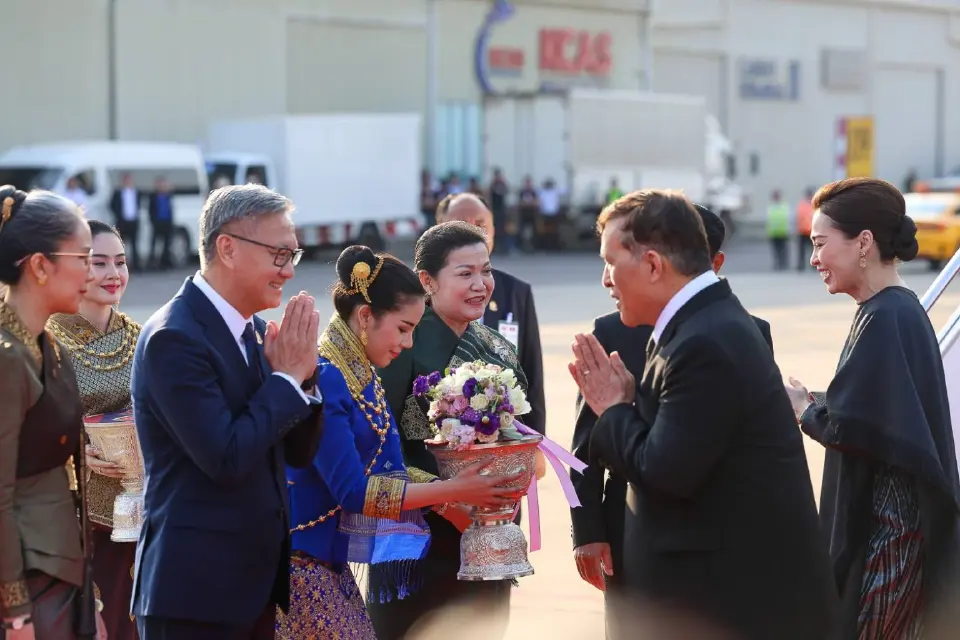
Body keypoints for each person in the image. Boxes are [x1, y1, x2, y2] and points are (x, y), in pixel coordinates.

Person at [569, 190, 837, 640]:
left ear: (654, 266)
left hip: (728, 606)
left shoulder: (703, 343)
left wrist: (615, 409)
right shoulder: (698, 324)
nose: (605, 280)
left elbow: (666, 474)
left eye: (611, 261)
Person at [278, 245, 519, 638]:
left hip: (329, 568)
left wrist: (452, 496)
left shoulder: (361, 376)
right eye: (404, 329)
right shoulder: (327, 378)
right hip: (302, 569)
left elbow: (384, 469)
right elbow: (354, 493)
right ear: (365, 317)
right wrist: (454, 488)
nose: (408, 344)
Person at [131, 184, 326, 639]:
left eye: (293, 257)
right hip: (193, 595)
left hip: (250, 589)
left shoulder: (256, 332)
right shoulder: (174, 338)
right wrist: (286, 382)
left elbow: (296, 452)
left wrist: (304, 379)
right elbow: (226, 457)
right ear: (228, 247)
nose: (289, 272)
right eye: (280, 255)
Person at [785, 177, 960, 639]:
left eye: (821, 244)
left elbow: (861, 428)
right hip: (895, 539)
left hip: (890, 544)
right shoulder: (891, 311)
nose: (814, 259)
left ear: (863, 243)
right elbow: (879, 410)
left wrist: (806, 409)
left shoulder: (886, 317)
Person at [369, 221, 531, 640]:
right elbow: (376, 439)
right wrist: (450, 504)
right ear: (427, 281)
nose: (481, 284)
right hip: (420, 530)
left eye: (487, 271)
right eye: (465, 274)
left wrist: (503, 494)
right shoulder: (404, 341)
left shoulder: (498, 348)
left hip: (488, 532)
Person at [0, 186, 101, 639]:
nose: (92, 269)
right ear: (40, 266)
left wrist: (90, 599)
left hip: (61, 568)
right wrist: (16, 613)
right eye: (83, 257)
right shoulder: (7, 357)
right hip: (26, 578)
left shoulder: (48, 344)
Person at [48, 220, 142, 640]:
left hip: (146, 512)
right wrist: (69, 450)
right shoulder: (45, 342)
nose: (113, 274)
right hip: (81, 520)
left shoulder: (144, 337)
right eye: (98, 262)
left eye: (119, 262)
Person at [435, 192, 546, 436]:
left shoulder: (516, 292)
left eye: (481, 225)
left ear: (495, 230)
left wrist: (536, 441)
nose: (472, 232)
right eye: (460, 225)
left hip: (505, 443)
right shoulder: (418, 296)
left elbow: (532, 376)